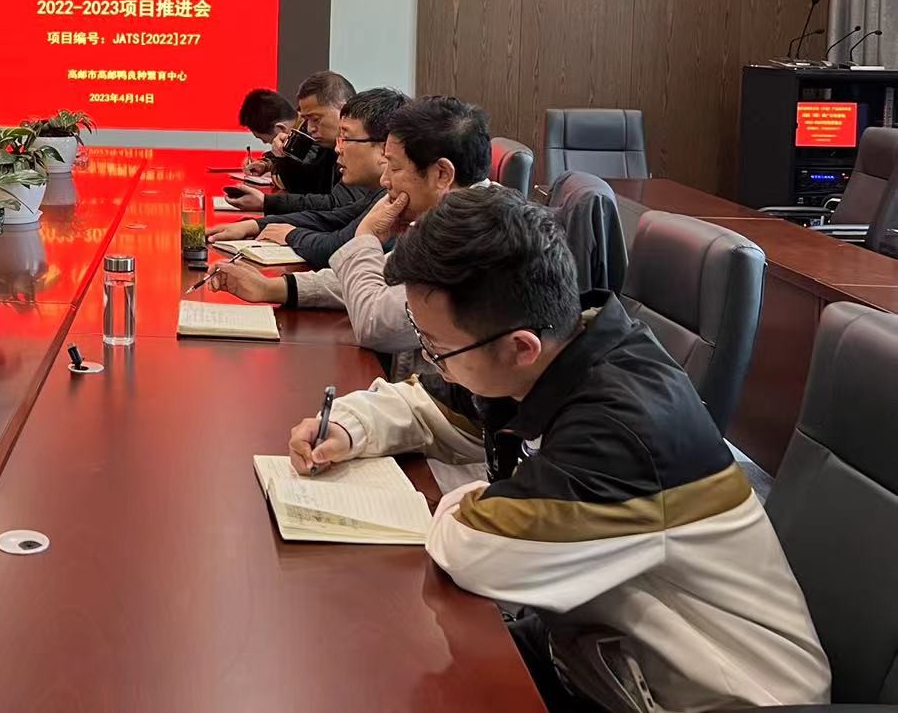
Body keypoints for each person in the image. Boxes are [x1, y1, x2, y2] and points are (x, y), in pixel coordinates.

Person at [285, 187, 829, 712]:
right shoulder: (553, 352)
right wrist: (348, 427)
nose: (431, 359)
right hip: (601, 654)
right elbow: (427, 405)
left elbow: (478, 552)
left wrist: (472, 501)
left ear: (520, 347)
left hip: (716, 696)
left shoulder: (622, 431)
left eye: (438, 347)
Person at [211, 95, 491, 354]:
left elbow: (376, 326)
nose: (385, 180)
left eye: (394, 168)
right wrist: (272, 288)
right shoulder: (447, 217)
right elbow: (375, 279)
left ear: (442, 174)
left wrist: (366, 236)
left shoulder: (473, 235)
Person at [215, 88, 406, 266]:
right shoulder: (380, 192)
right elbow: (334, 217)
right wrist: (256, 224)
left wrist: (291, 234)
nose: (338, 148)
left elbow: (340, 246)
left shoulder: (399, 198)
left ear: (385, 147)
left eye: (345, 138)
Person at [229, 70, 363, 211]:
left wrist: (267, 203)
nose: (310, 128)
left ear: (344, 109)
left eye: (316, 119)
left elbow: (337, 206)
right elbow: (303, 187)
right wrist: (281, 157)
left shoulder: (363, 148)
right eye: (307, 120)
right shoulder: (327, 146)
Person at [235, 88, 295, 178]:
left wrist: (277, 177)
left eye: (265, 140)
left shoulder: (310, 140)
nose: (265, 143)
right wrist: (265, 165)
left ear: (281, 128)